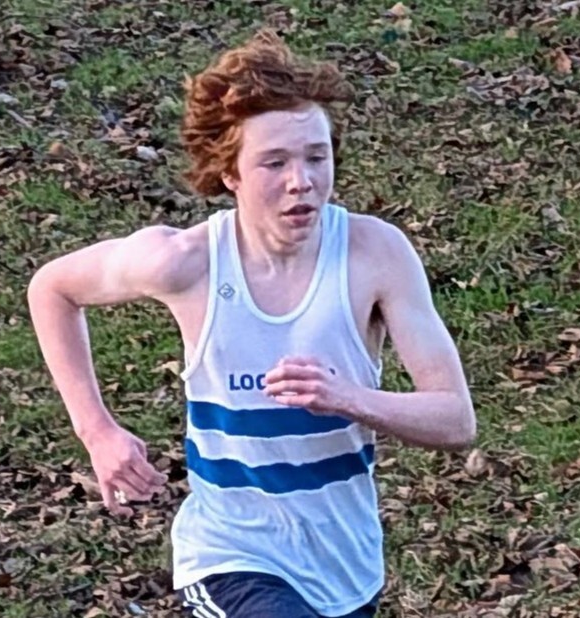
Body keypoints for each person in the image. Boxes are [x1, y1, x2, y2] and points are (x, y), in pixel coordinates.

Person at [27, 29, 476, 618]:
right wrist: (97, 431)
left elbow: (454, 418)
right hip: (230, 558)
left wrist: (351, 399)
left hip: (346, 567)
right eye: (275, 162)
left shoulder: (375, 255)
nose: (301, 181)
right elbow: (53, 289)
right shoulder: (185, 262)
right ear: (230, 173)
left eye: (317, 157)